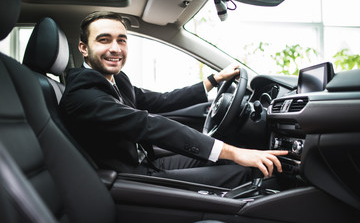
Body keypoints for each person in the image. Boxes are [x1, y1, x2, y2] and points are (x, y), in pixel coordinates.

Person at [59, 11, 288, 188]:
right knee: (247, 171)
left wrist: (214, 79)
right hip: (131, 179)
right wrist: (234, 151)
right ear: (84, 48)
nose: (115, 48)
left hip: (146, 162)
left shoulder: (115, 80)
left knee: (231, 161)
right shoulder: (83, 94)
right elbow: (149, 124)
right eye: (104, 40)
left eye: (121, 40)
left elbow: (161, 100)